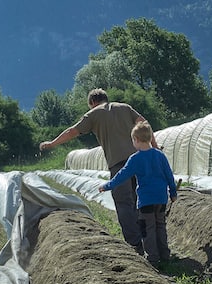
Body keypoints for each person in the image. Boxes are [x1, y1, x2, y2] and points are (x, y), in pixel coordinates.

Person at [39, 88, 155, 252]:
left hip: (119, 165)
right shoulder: (125, 107)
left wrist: (51, 143)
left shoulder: (93, 114)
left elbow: (72, 131)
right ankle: (150, 240)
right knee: (141, 201)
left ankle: (136, 244)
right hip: (141, 161)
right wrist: (155, 149)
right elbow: (145, 124)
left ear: (92, 103)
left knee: (124, 203)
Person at [98, 121, 177, 266]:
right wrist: (173, 192)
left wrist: (107, 186)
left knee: (147, 229)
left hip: (146, 200)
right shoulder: (160, 156)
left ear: (136, 140)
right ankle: (165, 254)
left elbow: (121, 176)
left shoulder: (135, 159)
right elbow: (169, 175)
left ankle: (153, 258)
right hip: (161, 198)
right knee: (160, 225)